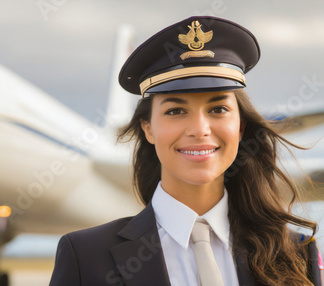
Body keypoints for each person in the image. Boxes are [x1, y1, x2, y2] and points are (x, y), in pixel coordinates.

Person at [49, 16, 324, 286]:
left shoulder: (296, 252)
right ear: (148, 128)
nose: (199, 129)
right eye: (176, 110)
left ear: (240, 127)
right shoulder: (85, 257)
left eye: (218, 109)